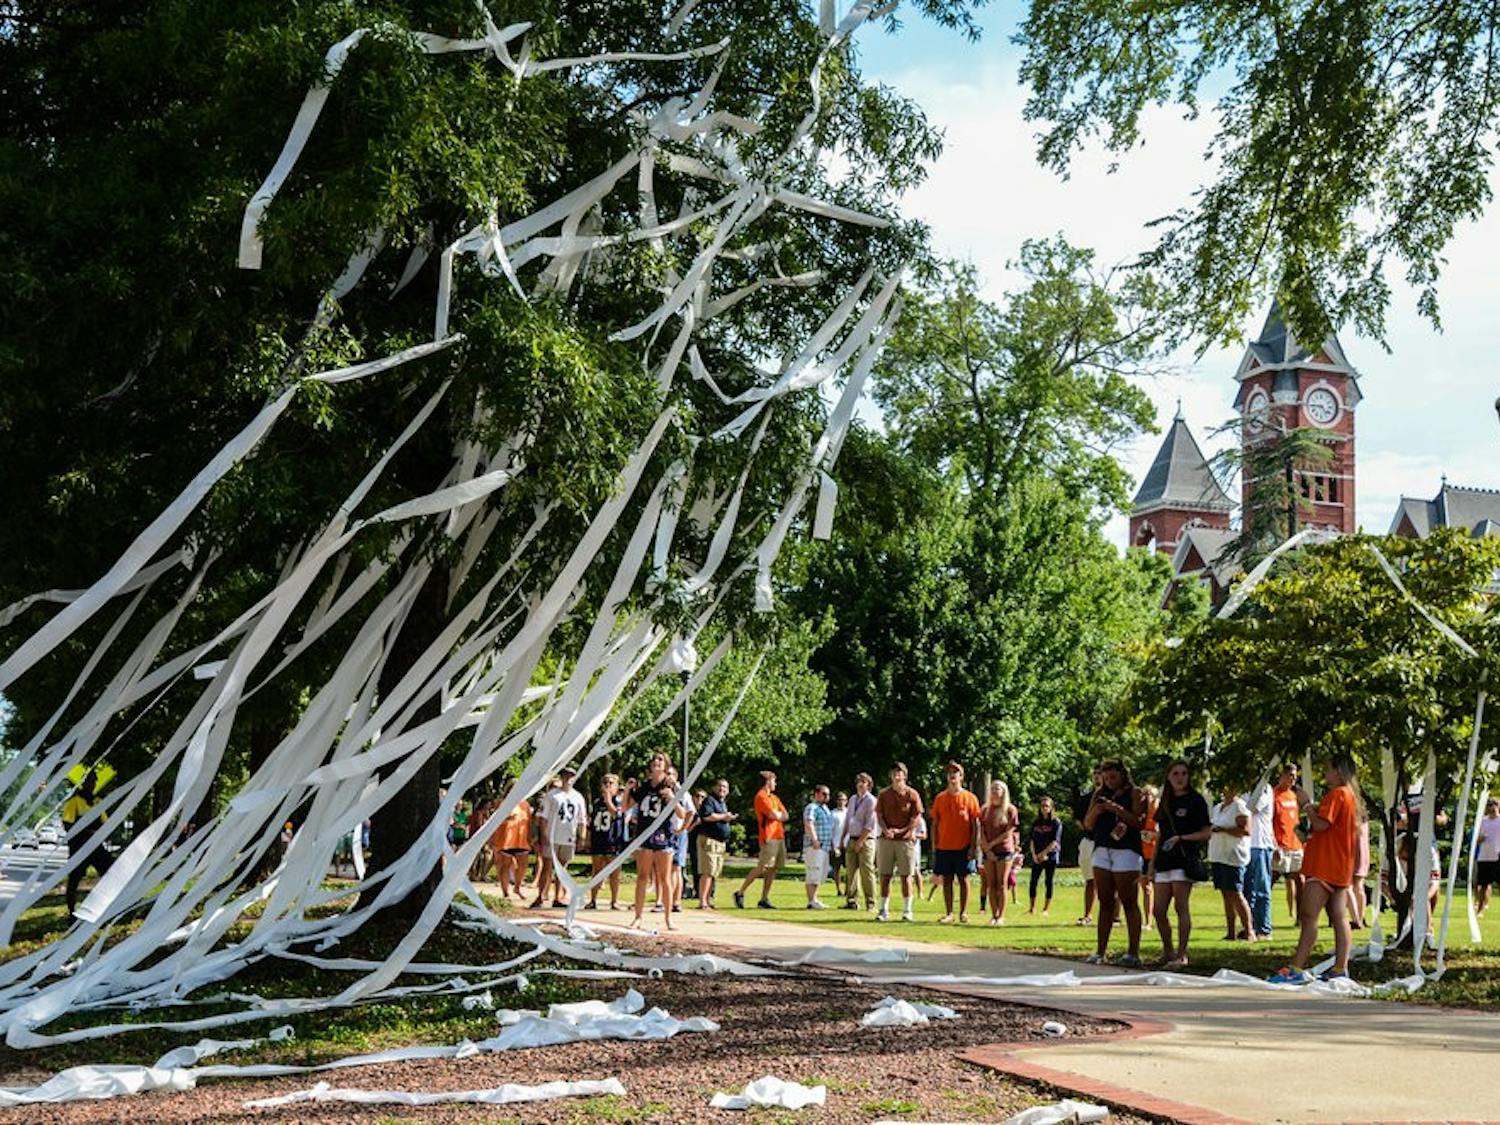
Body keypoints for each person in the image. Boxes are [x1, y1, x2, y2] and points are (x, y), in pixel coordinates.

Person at [1270, 754, 1361, 984]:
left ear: (1338, 771)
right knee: (1338, 916)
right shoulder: (1350, 795)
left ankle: (1296, 968)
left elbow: (1321, 824)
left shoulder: (1338, 794)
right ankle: (1340, 967)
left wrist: (1307, 804)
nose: (1325, 773)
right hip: (1340, 864)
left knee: (1308, 915)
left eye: (1328, 769)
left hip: (1325, 865)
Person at [1082, 758, 1148, 966]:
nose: (1109, 781)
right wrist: (1097, 810)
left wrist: (1116, 809)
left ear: (1122, 774)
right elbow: (1088, 824)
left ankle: (1133, 952)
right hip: (1102, 848)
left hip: (1126, 850)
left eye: (1113, 777)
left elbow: (1138, 822)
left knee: (1128, 900)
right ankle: (1100, 951)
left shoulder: (1135, 793)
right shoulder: (1099, 794)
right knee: (1105, 900)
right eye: (1106, 778)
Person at [1149, 759, 1211, 967]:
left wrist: (1183, 838)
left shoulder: (1195, 800)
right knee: (1158, 910)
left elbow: (1206, 832)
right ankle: (1168, 950)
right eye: (1175, 773)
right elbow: (1160, 834)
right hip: (1164, 860)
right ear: (1168, 776)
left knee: (1180, 906)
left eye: (1184, 773)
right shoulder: (1165, 801)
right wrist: (1151, 864)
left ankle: (1182, 954)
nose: (1180, 778)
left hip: (1184, 860)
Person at [627, 755, 678, 928]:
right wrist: (627, 790)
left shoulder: (670, 786)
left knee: (665, 878)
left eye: (661, 760)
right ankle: (638, 917)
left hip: (663, 835)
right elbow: (625, 807)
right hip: (645, 834)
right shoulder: (644, 786)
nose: (657, 762)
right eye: (654, 760)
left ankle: (668, 918)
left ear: (666, 765)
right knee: (642, 876)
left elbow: (682, 813)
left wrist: (672, 796)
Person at [930, 763, 982, 924]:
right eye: (950, 773)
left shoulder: (970, 798)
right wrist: (934, 845)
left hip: (963, 847)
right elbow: (935, 823)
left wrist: (974, 846)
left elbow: (975, 824)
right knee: (947, 880)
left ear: (961, 776)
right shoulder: (940, 798)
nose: (952, 775)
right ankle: (949, 913)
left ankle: (963, 913)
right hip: (944, 846)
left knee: (963, 879)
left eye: (956, 772)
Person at [60, 765, 114, 916]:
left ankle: (107, 907)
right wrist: (84, 832)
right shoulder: (74, 802)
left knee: (111, 872)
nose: (93, 784)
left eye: (94, 781)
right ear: (83, 783)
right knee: (74, 881)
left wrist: (101, 832)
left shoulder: (98, 802)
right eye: (90, 781)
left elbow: (105, 823)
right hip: (79, 848)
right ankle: (72, 912)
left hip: (96, 847)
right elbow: (67, 824)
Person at [875, 762, 923, 922]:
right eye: (894, 772)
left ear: (905, 775)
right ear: (890, 776)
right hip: (886, 840)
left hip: (905, 841)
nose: (897, 775)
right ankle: (883, 910)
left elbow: (916, 817)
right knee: (885, 876)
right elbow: (879, 815)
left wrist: (901, 831)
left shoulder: (912, 794)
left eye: (900, 772)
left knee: (906, 876)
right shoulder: (883, 794)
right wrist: (886, 830)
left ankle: (907, 910)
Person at [1208, 784, 1256, 942]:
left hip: (1233, 856)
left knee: (1236, 893)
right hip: (1218, 855)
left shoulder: (1240, 806)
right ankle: (1231, 932)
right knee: (1225, 894)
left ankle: (1249, 931)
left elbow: (1246, 831)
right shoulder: (1218, 807)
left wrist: (1222, 829)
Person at [734, 771, 788, 909]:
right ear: (768, 781)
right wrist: (777, 815)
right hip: (768, 837)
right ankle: (740, 892)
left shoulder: (774, 798)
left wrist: (778, 815)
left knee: (773, 868)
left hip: (779, 836)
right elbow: (772, 814)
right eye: (774, 781)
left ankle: (764, 899)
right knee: (763, 867)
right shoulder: (761, 796)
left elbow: (785, 815)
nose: (776, 783)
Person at [537, 767, 587, 908]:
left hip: (568, 836)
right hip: (553, 835)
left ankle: (558, 897)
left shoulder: (578, 797)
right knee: (547, 867)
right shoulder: (552, 795)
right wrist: (544, 834)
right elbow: (543, 817)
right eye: (566, 775)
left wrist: (582, 837)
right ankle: (541, 895)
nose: (568, 778)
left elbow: (582, 819)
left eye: (571, 776)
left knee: (562, 869)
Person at [975, 779, 1018, 925]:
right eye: (992, 788)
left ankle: (1001, 916)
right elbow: (981, 830)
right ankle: (994, 915)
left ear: (1004, 792)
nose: (994, 791)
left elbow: (1009, 832)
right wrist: (986, 848)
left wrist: (992, 844)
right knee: (991, 884)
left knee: (1002, 883)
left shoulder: (1010, 810)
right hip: (988, 851)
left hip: (1004, 850)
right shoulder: (985, 810)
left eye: (997, 788)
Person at [696, 778, 736, 908]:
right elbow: (707, 816)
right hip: (709, 840)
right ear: (714, 787)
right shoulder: (710, 800)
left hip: (720, 842)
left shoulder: (722, 803)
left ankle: (709, 900)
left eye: (725, 787)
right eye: (720, 786)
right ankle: (702, 901)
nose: (722, 789)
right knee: (707, 872)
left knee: (714, 873)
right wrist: (724, 816)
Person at [1271, 764, 1305, 919]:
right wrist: (1274, 845)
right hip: (1280, 845)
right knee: (1270, 879)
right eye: (1291, 775)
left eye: (1295, 776)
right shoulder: (1273, 795)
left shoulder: (1293, 795)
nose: (1293, 779)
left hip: (1295, 845)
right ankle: (1258, 915)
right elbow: (1269, 822)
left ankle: (1301, 917)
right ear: (1282, 775)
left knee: (1300, 881)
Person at [586, 774, 624, 910]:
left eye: (611, 783)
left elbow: (615, 814)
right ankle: (593, 900)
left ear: (617, 786)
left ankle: (614, 901)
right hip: (598, 840)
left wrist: (608, 800)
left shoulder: (619, 801)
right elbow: (591, 822)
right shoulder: (597, 802)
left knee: (614, 874)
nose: (608, 785)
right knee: (596, 872)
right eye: (605, 783)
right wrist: (587, 839)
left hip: (613, 841)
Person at [1244, 777, 1276, 939]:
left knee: (1261, 888)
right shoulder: (1244, 790)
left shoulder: (1265, 788)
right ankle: (1249, 926)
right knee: (1247, 889)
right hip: (1246, 844)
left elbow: (1252, 807)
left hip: (1260, 844)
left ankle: (1264, 928)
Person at [1071, 768, 1103, 926]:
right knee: (1090, 879)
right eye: (1095, 774)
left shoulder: (1114, 798)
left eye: (1100, 774)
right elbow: (1078, 818)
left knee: (1111, 882)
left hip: (1106, 843)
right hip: (1089, 841)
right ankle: (1087, 915)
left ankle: (1115, 917)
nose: (1097, 777)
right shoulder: (1085, 799)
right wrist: (1088, 827)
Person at [842, 772, 878, 911]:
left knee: (867, 872)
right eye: (858, 781)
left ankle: (871, 902)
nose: (860, 784)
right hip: (852, 838)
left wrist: (861, 841)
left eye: (863, 782)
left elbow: (870, 824)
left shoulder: (871, 800)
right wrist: (843, 838)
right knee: (851, 871)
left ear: (868, 785)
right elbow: (848, 820)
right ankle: (851, 901)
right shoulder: (852, 799)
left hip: (866, 840)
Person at [1026, 795, 1063, 915]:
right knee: (1033, 881)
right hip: (1037, 856)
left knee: (1048, 881)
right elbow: (1032, 839)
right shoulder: (1036, 822)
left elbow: (1055, 841)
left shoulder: (1056, 822)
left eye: (1047, 806)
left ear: (1051, 807)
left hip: (1050, 856)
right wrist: (1034, 855)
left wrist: (1044, 854)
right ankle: (1032, 908)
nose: (1044, 808)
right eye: (1042, 806)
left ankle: (1046, 909)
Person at [492, 789, 533, 896]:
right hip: (507, 839)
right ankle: (505, 891)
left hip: (521, 838)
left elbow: (529, 822)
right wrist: (506, 818)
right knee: (505, 865)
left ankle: (517, 887)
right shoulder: (503, 803)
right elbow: (495, 820)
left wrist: (530, 837)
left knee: (523, 864)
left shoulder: (525, 804)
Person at [803, 784, 834, 908]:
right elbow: (809, 823)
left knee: (820, 873)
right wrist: (814, 839)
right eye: (824, 794)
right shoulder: (812, 807)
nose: (827, 797)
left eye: (828, 794)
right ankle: (811, 901)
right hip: (815, 846)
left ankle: (814, 899)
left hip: (824, 846)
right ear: (816, 794)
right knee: (813, 872)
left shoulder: (825, 809)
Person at [1138, 784, 1159, 930]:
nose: (1146, 798)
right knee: (1145, 887)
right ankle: (1148, 921)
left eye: (1149, 795)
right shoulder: (1140, 813)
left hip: (1155, 855)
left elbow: (1164, 833)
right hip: (1142, 854)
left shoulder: (1159, 813)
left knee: (1158, 889)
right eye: (1144, 795)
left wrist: (1151, 835)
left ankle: (1157, 919)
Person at [1475, 797, 1500, 916]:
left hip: (1498, 856)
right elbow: (1477, 840)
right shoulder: (1483, 821)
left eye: (1494, 804)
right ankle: (1480, 909)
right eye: (1489, 805)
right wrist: (1480, 839)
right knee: (1483, 885)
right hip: (1484, 856)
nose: (1492, 807)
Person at [1348, 804, 1371, 929]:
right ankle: (1360, 917)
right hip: (1363, 850)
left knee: (1350, 886)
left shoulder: (1352, 814)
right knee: (1359, 886)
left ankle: (1356, 918)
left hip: (1354, 851)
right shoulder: (1363, 815)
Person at [828, 792, 848, 898]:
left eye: (843, 800)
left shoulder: (849, 813)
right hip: (836, 845)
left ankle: (848, 890)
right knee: (837, 869)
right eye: (839, 800)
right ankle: (838, 890)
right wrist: (832, 846)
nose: (841, 802)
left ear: (846, 801)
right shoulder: (832, 814)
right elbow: (830, 831)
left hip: (847, 845)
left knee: (850, 869)